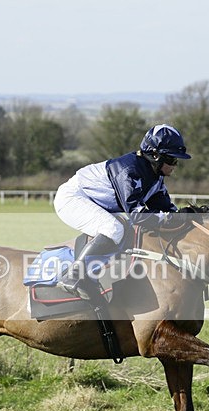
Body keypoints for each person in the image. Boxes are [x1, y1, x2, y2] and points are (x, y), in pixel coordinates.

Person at [53, 123, 191, 296]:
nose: (175, 165)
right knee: (113, 229)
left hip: (94, 201)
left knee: (123, 229)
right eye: (171, 160)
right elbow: (137, 216)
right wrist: (168, 218)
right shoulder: (128, 170)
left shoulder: (155, 178)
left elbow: (168, 212)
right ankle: (73, 274)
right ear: (155, 155)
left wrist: (188, 216)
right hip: (72, 198)